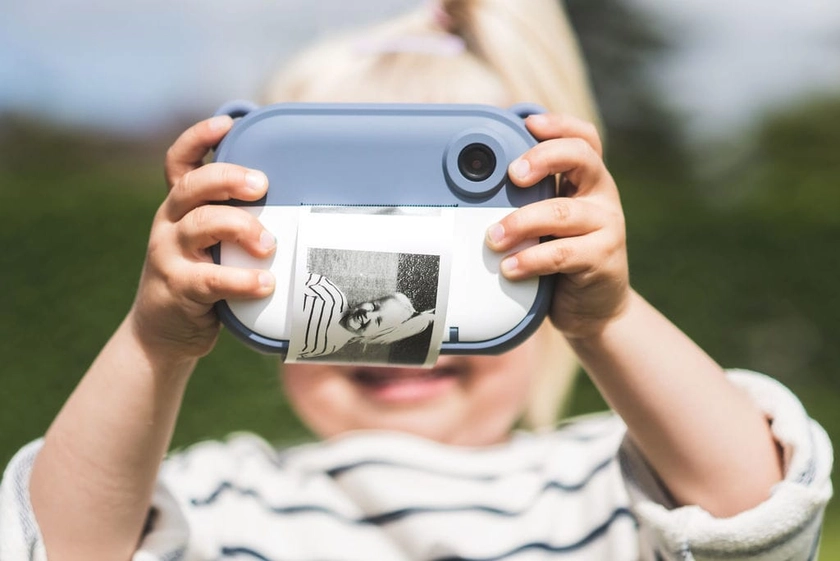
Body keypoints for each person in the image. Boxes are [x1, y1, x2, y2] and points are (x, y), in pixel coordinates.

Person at [0, 1, 832, 560]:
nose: (408, 329)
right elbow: (59, 546)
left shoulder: (612, 482)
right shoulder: (217, 494)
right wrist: (156, 339)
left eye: (459, 258)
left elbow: (759, 512)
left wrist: (606, 315)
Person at [296, 273, 435, 360]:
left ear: (377, 335)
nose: (368, 314)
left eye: (379, 321)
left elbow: (295, 350)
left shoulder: (330, 346)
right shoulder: (330, 296)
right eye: (374, 306)